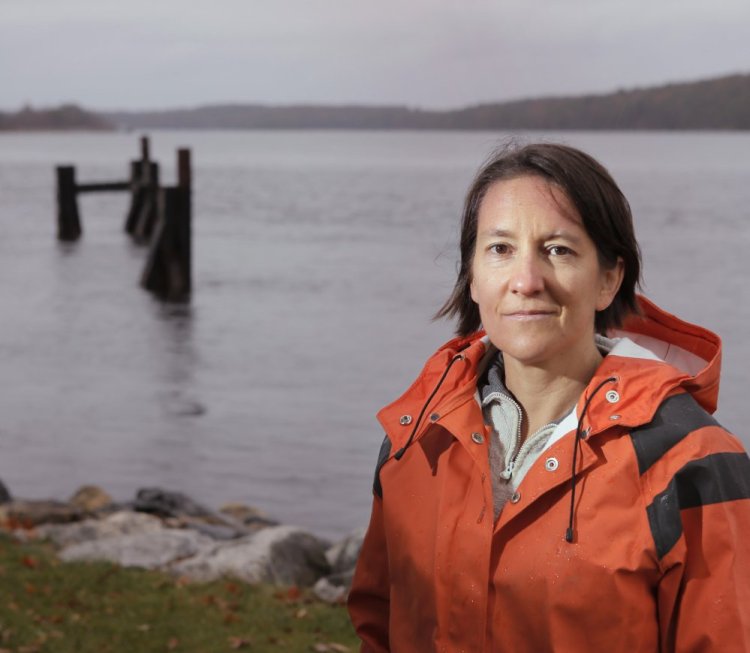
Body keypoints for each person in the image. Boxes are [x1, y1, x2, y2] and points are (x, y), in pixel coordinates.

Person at [347, 142, 750, 652]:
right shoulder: (416, 440)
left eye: (558, 250)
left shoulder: (692, 463)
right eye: (500, 249)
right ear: (472, 276)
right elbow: (379, 628)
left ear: (609, 279)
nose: (526, 281)